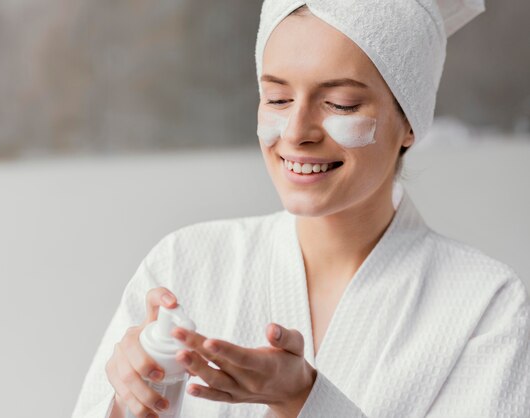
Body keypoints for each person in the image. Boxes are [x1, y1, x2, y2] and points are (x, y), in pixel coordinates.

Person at [72, 1, 530, 417]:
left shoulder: (484, 305)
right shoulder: (184, 265)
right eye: (277, 99)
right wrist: (128, 401)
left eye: (340, 103)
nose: (296, 131)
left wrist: (305, 402)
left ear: (409, 121)